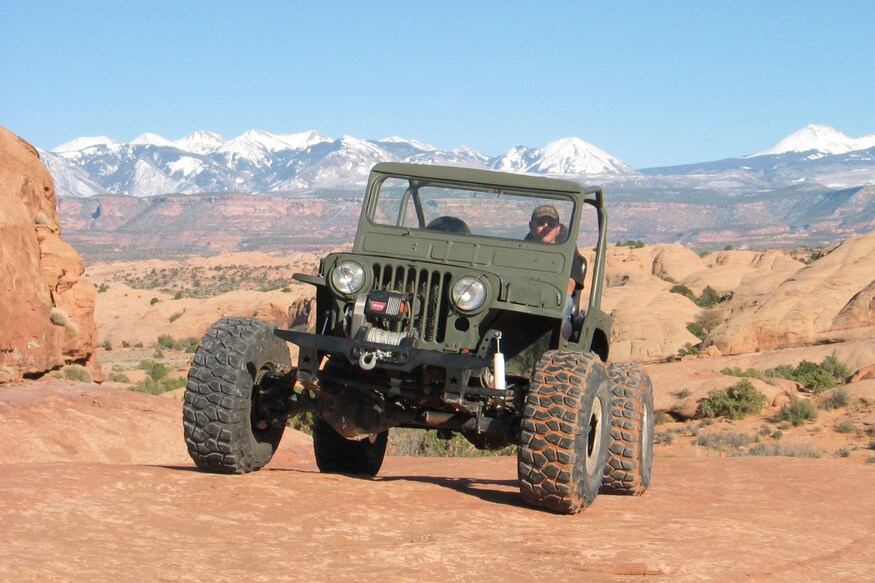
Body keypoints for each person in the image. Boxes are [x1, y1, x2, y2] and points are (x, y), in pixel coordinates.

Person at [527, 204, 586, 337]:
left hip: (555, 299)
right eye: (541, 223)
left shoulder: (569, 256)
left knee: (564, 300)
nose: (546, 228)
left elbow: (569, 285)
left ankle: (555, 337)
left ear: (558, 228)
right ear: (531, 226)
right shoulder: (521, 252)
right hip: (524, 296)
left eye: (551, 224)